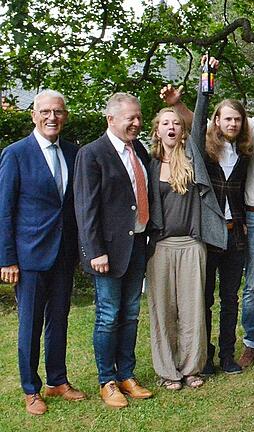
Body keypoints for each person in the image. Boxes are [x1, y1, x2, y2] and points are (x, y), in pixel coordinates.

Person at [164, 82, 254, 368]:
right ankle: (249, 345)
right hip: (253, 218)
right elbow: (203, 125)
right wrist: (179, 105)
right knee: (252, 285)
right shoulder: (252, 130)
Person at [0, 90, 86, 415]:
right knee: (30, 323)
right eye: (46, 111)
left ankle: (57, 380)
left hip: (63, 254)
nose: (52, 117)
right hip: (29, 256)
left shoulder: (73, 152)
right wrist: (6, 258)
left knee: (59, 319)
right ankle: (30, 388)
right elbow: (4, 210)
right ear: (34, 115)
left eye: (58, 112)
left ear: (65, 116)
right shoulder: (16, 154)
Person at [145, 56, 228, 390]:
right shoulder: (147, 162)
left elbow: (202, 116)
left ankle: (193, 367)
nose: (171, 127)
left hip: (192, 245)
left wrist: (204, 80)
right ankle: (168, 370)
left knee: (194, 309)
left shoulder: (193, 155)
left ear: (181, 130)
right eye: (165, 123)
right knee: (163, 311)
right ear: (157, 131)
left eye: (175, 123)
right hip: (160, 248)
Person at [160, 88, 253, 376]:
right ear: (217, 121)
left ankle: (227, 354)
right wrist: (200, 92)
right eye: (227, 119)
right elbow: (195, 121)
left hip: (236, 234)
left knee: (230, 298)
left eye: (237, 120)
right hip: (208, 235)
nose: (232, 124)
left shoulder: (245, 154)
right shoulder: (203, 150)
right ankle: (205, 356)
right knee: (204, 300)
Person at [74, 92, 153, 408]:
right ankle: (107, 380)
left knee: (131, 313)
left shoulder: (140, 150)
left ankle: (127, 375)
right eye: (129, 118)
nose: (136, 123)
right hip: (107, 251)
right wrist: (95, 250)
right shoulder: (92, 154)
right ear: (110, 119)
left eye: (138, 117)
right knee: (108, 315)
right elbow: (86, 207)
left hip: (137, 246)